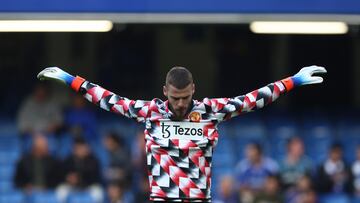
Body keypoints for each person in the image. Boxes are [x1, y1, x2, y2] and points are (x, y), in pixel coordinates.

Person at [37, 65, 326, 202]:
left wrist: (294, 80)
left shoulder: (211, 111)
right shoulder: (150, 112)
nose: (180, 103)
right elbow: (108, 99)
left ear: (193, 91)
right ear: (165, 92)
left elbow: (253, 98)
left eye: (185, 97)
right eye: (175, 98)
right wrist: (69, 78)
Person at [56, 137, 103, 203]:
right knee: (61, 190)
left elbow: (96, 177)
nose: (80, 150)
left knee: (98, 191)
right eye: (77, 148)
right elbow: (62, 174)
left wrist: (80, 178)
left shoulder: (93, 160)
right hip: (72, 186)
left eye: (82, 147)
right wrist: (68, 178)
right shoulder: (68, 160)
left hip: (88, 186)